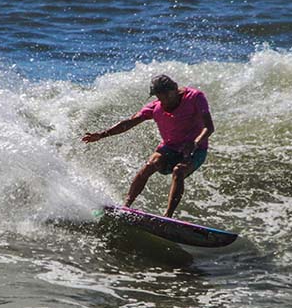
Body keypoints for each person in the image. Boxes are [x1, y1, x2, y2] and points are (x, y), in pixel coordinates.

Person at [82, 74, 214, 218]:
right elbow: (129, 123)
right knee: (150, 165)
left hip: (196, 149)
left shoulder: (195, 97)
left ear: (175, 89)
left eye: (167, 96)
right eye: (160, 97)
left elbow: (209, 127)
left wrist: (195, 142)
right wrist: (102, 135)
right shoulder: (156, 107)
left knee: (179, 171)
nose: (164, 102)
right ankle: (126, 207)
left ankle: (167, 216)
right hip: (170, 148)